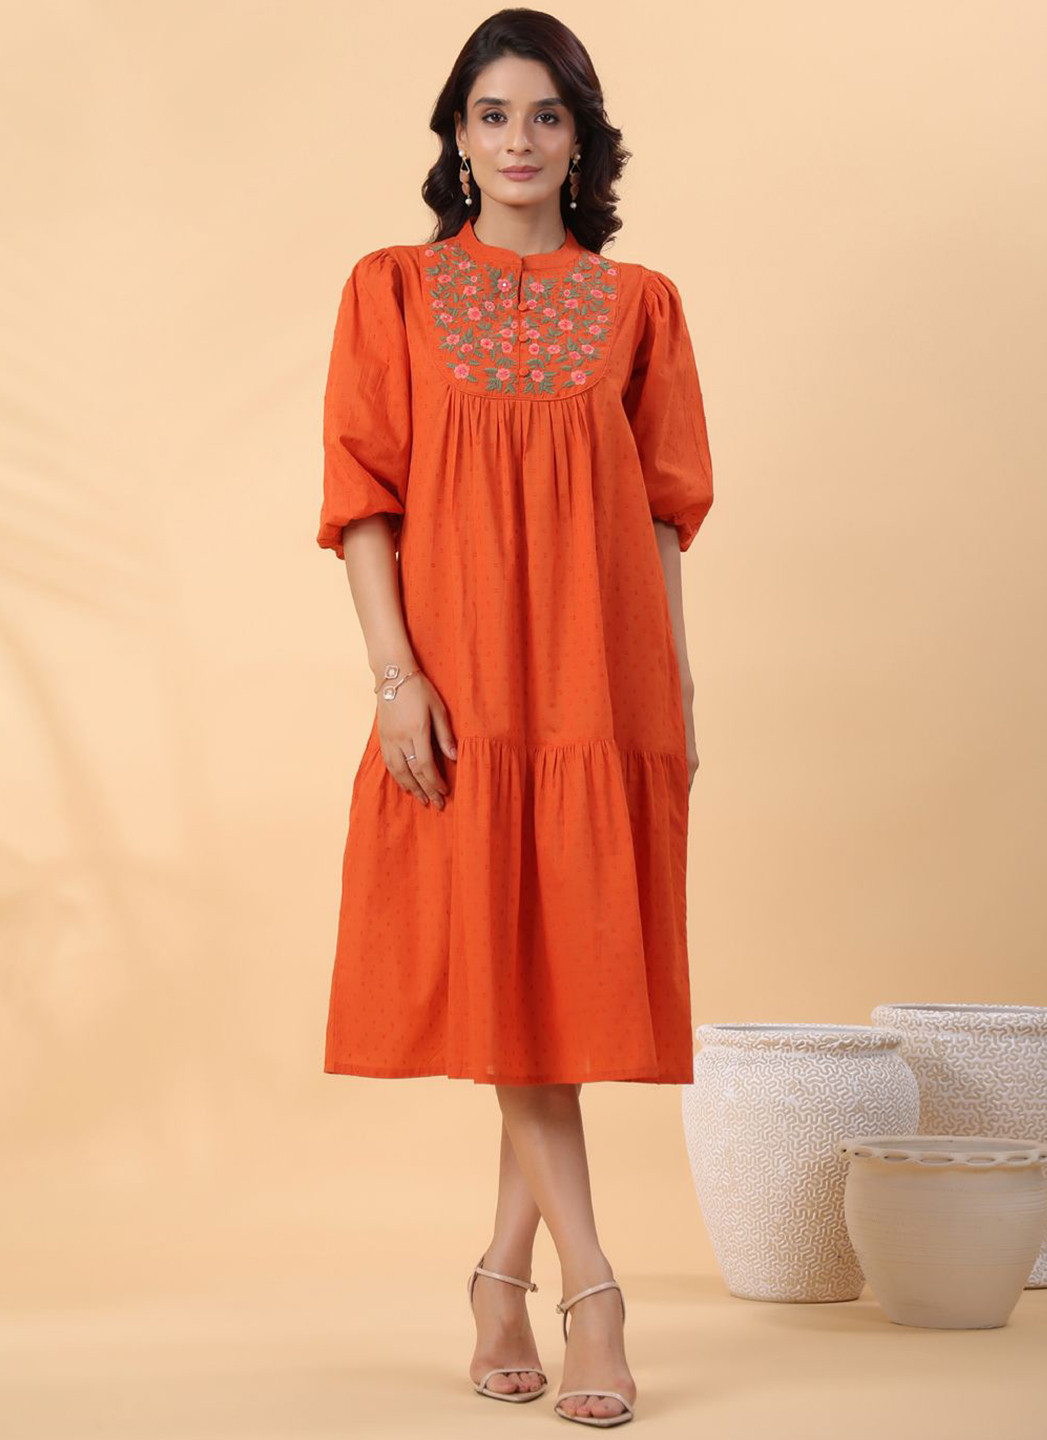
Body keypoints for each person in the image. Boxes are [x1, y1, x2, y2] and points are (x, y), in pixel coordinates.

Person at [316, 10, 714, 1428]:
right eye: (493, 115)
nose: (520, 141)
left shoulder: (643, 305)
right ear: (457, 136)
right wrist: (395, 677)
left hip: (603, 691)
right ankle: (592, 1293)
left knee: (554, 990)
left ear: (581, 139)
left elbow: (662, 517)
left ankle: (500, 1280)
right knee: (511, 983)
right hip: (466, 687)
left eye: (547, 115)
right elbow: (363, 501)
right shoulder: (392, 291)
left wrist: (677, 684)